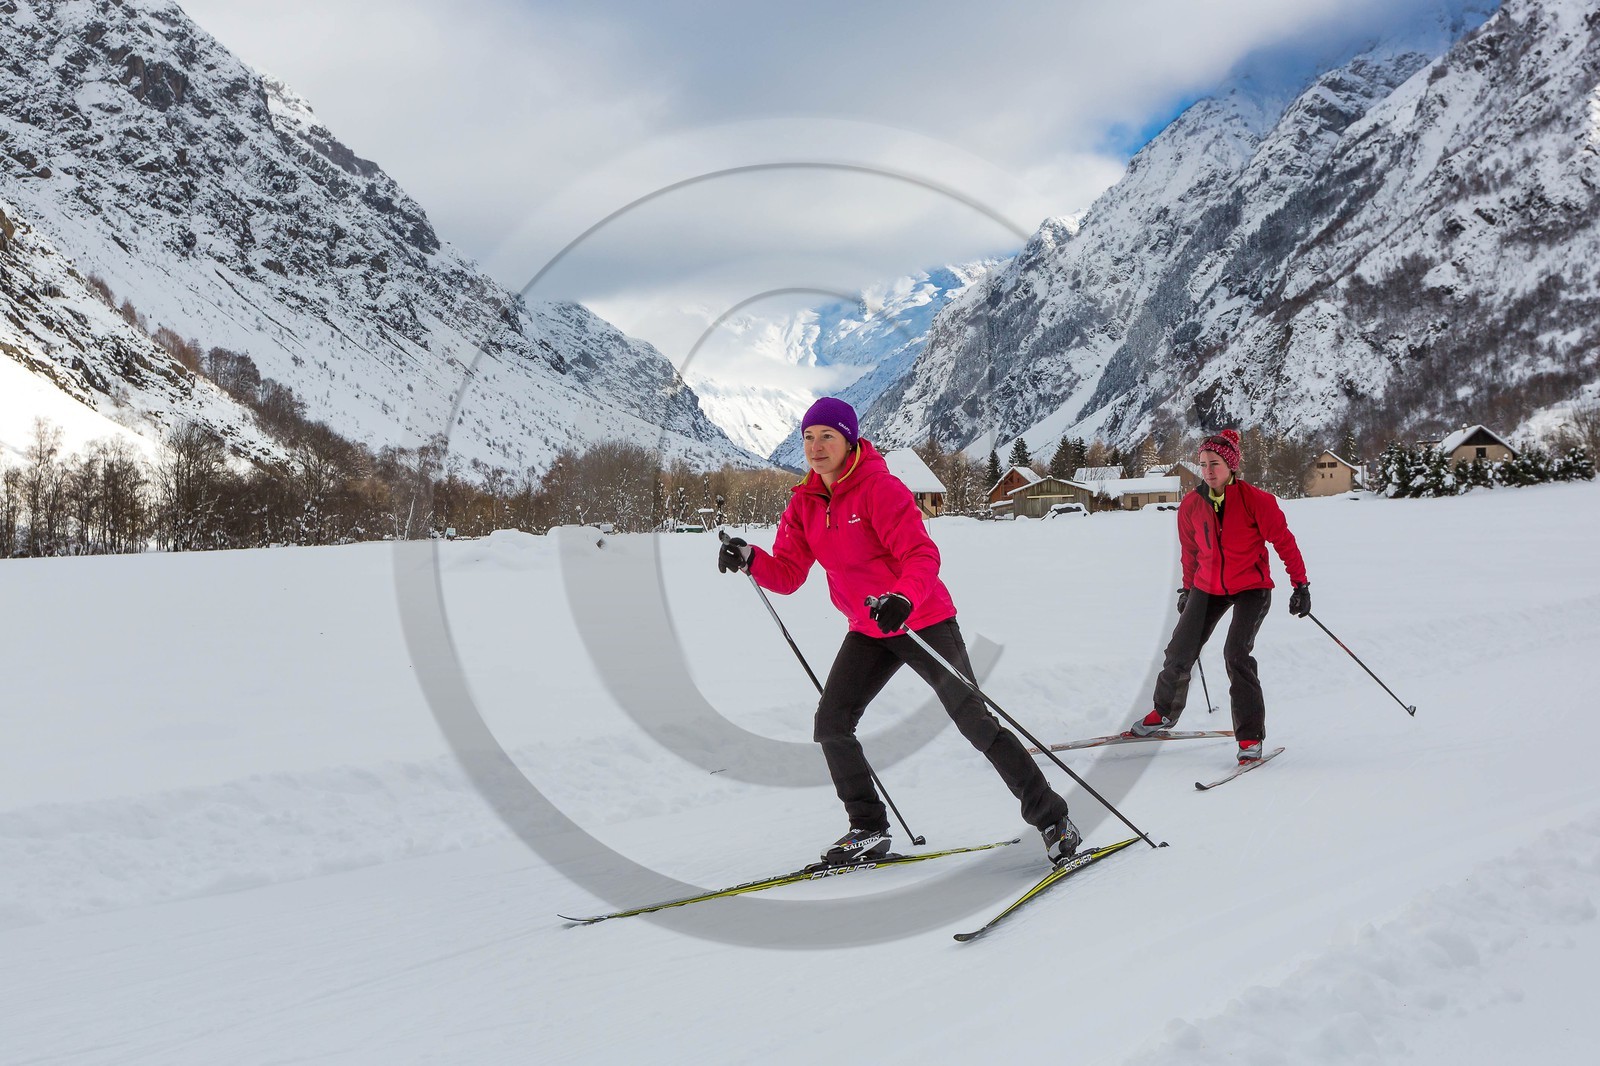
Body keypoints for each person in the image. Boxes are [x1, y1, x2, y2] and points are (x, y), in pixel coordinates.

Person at [718, 398, 1080, 866]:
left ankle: (1053, 818)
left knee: (974, 721)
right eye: (808, 437)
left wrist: (903, 597)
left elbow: (921, 554)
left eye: (827, 436)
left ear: (849, 441)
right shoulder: (804, 503)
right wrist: (750, 558)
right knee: (831, 722)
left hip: (922, 618)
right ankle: (868, 828)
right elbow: (788, 574)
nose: (816, 447)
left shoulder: (879, 489)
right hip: (868, 627)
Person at [1127, 429, 1311, 762]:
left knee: (1236, 654)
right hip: (1208, 587)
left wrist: (1300, 585)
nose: (1208, 470)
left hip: (1252, 588)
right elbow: (1190, 551)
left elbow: (1284, 541)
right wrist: (1187, 587)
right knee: (1179, 650)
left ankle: (1250, 737)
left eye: (1215, 464)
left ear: (1230, 466)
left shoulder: (1256, 501)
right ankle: (1164, 713)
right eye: (1203, 464)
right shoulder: (1191, 505)